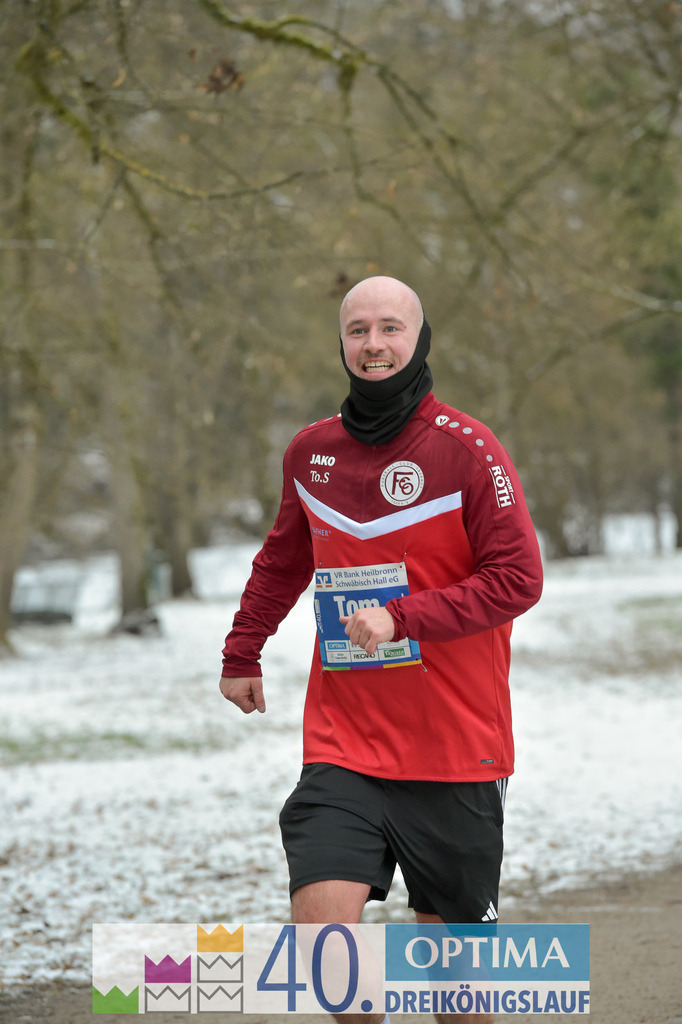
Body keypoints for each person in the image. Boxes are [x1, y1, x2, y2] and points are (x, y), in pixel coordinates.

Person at [219, 275, 543, 1024]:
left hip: (455, 747)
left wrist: (406, 616)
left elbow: (518, 579)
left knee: (458, 997)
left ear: (419, 339)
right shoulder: (310, 453)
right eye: (358, 330)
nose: (374, 345)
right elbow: (282, 559)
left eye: (390, 328)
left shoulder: (468, 450)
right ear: (341, 343)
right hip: (346, 741)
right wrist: (243, 649)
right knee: (325, 951)